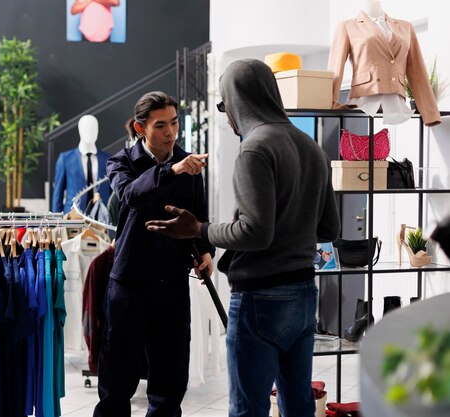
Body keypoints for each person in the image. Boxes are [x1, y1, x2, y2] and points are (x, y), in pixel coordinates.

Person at [146, 59, 341, 417]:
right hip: (303, 293)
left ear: (238, 100)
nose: (225, 115)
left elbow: (254, 232)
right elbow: (330, 230)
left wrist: (199, 229)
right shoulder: (311, 146)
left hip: (259, 298)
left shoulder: (254, 148)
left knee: (248, 408)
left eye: (223, 105)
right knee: (298, 403)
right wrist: (292, 227)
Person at [93, 91, 214, 417]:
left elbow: (198, 215)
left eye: (174, 123)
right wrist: (172, 171)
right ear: (140, 127)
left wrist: (204, 251)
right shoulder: (121, 162)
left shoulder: (190, 163)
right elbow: (131, 195)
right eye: (161, 125)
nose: (170, 132)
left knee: (169, 385)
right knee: (117, 384)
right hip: (129, 285)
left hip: (172, 284)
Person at [327, 0, 441, 126]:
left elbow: (418, 72)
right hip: (364, 99)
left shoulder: (405, 27)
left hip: (396, 102)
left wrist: (430, 113)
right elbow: (335, 69)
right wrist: (330, 103)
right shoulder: (347, 26)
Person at [51, 115, 111, 214]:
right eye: (86, 128)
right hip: (73, 216)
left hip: (101, 217)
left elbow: (113, 193)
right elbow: (58, 193)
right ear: (80, 130)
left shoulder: (107, 159)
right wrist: (57, 221)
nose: (90, 132)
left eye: (93, 128)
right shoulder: (66, 159)